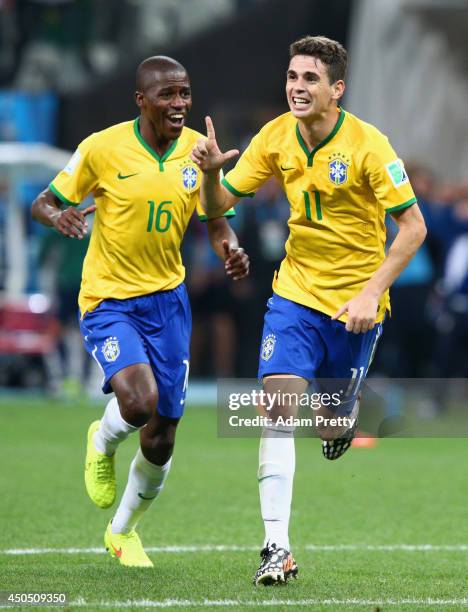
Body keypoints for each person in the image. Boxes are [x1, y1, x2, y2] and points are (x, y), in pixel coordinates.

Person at [191, 35, 427, 585]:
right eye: (293, 77)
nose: (297, 87)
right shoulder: (275, 135)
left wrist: (371, 292)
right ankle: (277, 547)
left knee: (328, 426)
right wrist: (207, 171)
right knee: (278, 406)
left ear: (336, 90)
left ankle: (346, 418)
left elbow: (413, 227)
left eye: (311, 79)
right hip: (295, 292)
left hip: (355, 306)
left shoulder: (371, 146)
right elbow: (217, 206)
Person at [31, 55, 249, 568]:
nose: (179, 103)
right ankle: (101, 439)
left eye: (185, 93)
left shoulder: (200, 152)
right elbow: (43, 201)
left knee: (163, 432)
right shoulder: (101, 148)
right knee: (138, 402)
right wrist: (58, 214)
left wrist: (230, 249)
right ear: (141, 100)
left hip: (168, 302)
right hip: (109, 298)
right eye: (168, 95)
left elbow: (218, 222)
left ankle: (122, 531)